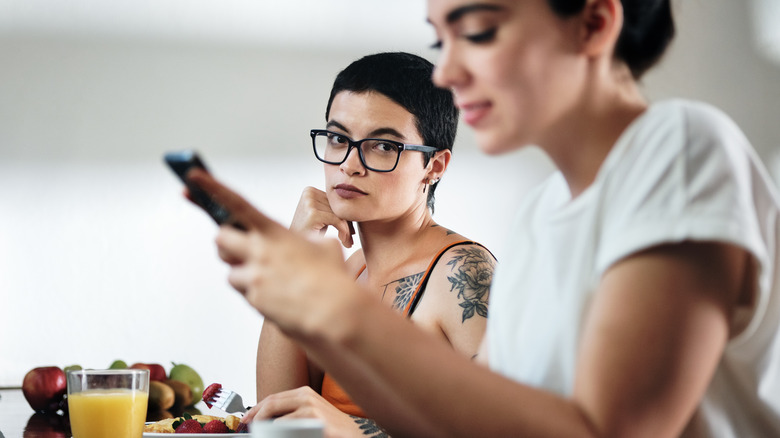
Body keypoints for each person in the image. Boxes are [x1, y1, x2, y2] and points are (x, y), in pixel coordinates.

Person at [188, 0, 780, 436]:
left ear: (594, 23)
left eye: (477, 32)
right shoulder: (542, 215)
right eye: (442, 41)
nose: (445, 73)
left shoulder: (679, 149)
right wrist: (298, 302)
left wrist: (337, 314)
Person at [246, 52, 496, 436]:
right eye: (337, 138)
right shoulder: (350, 271)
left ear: (435, 166)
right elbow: (279, 415)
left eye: (383, 146)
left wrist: (356, 433)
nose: (350, 164)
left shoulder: (461, 272)